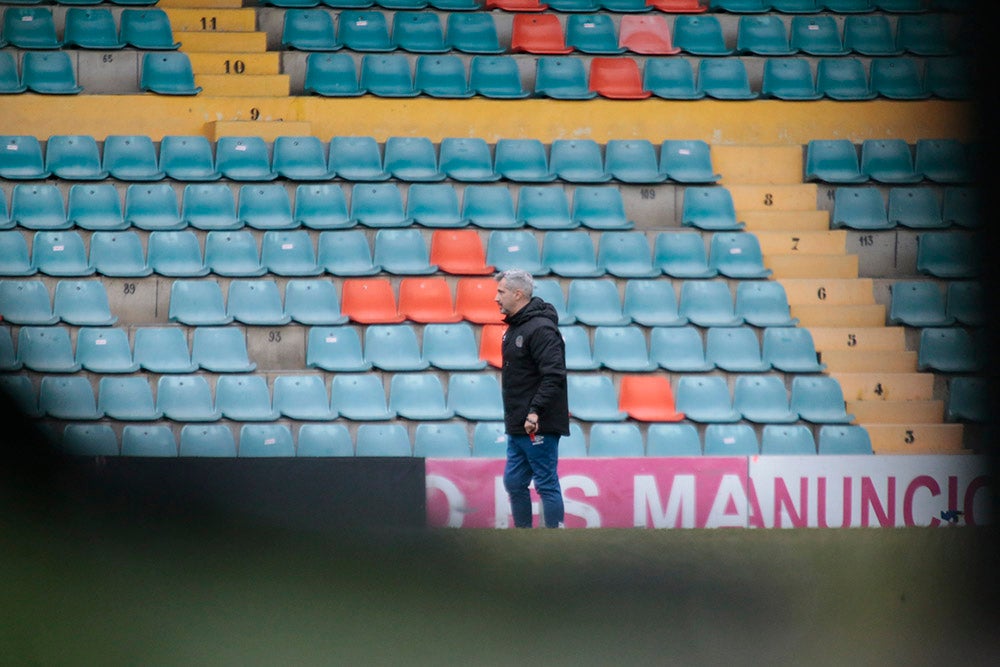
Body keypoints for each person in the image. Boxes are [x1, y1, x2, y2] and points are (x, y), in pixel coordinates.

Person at [494, 269, 569, 528]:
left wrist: (535, 410)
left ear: (518, 294)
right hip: (517, 423)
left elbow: (554, 374)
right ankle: (524, 538)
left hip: (538, 423)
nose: (496, 298)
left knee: (545, 482)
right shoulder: (515, 329)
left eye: (501, 292)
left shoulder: (541, 329)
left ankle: (554, 539)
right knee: (514, 482)